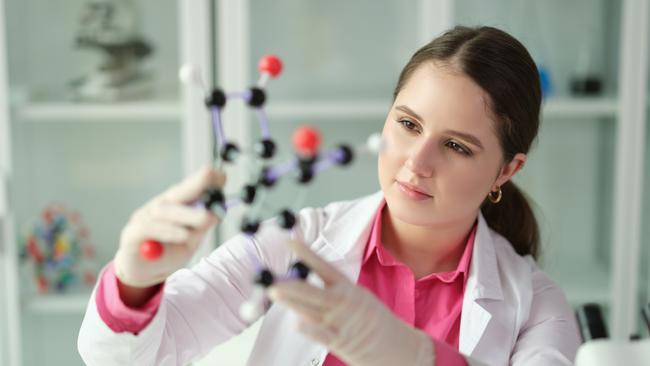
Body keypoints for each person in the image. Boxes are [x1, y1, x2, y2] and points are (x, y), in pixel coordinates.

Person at [78, 26, 581, 365]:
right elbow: (134, 351)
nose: (416, 161)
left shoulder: (537, 307)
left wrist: (414, 357)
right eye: (407, 124)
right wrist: (133, 284)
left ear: (507, 169)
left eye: (455, 146)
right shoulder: (291, 242)